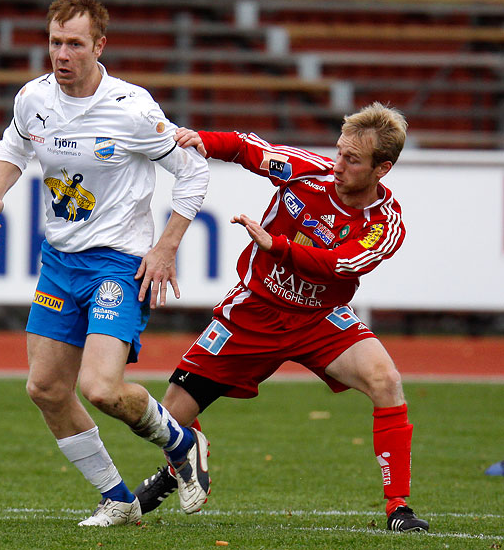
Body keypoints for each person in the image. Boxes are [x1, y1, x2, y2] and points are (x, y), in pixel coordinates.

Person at [133, 102, 430, 533]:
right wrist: (205, 140)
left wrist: (277, 246)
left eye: (352, 159)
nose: (338, 164)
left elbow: (342, 265)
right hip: (254, 310)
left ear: (382, 169)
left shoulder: (384, 223)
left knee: (386, 380)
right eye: (339, 151)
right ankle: (180, 464)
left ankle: (398, 507)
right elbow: (250, 149)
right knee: (168, 417)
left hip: (320, 319)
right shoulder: (307, 171)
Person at [0, 0, 211, 527]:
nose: (62, 54)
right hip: (59, 261)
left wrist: (166, 246)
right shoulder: (33, 99)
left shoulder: (132, 108)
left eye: (74, 44)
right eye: (55, 42)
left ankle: (182, 443)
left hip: (117, 264)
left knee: (101, 388)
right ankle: (118, 498)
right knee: (44, 389)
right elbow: (13, 148)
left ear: (99, 46)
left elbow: (194, 171)